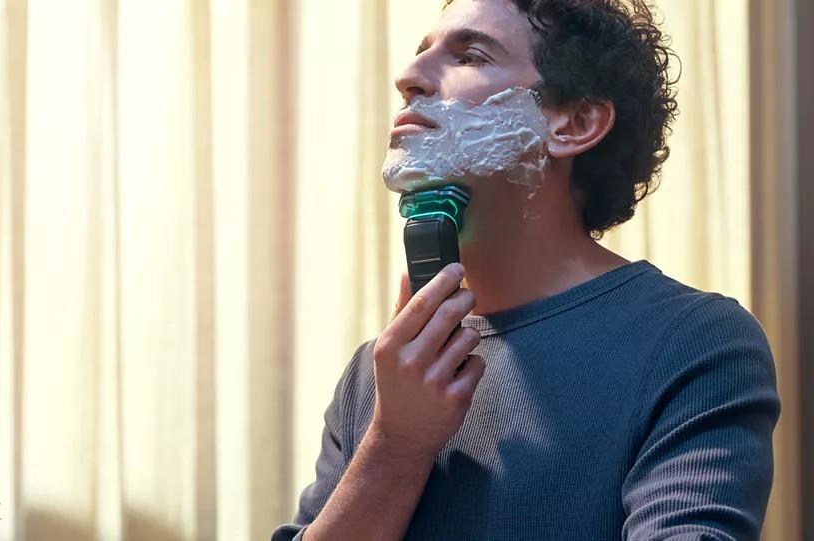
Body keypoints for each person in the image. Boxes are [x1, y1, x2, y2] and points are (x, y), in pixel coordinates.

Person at [272, 0, 780, 539]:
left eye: (470, 56)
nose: (408, 77)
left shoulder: (691, 342)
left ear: (575, 124)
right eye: (422, 52)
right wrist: (395, 443)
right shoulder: (384, 372)